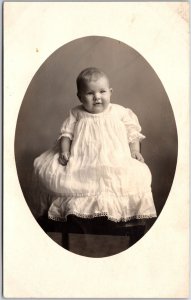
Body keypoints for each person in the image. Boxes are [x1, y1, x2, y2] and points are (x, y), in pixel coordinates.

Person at [33, 67, 157, 223]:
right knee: (58, 176)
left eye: (102, 92)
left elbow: (133, 135)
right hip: (82, 160)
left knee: (135, 176)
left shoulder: (120, 112)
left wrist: (134, 151)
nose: (97, 97)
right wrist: (65, 151)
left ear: (110, 92)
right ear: (79, 97)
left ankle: (112, 209)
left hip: (115, 159)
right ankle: (79, 210)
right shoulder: (76, 113)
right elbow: (66, 135)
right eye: (90, 93)